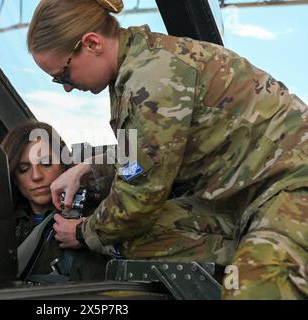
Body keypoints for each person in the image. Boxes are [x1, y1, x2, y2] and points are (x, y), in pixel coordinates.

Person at [27, 0, 308, 299]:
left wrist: (81, 232)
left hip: (289, 187)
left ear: (92, 43)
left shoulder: (152, 80)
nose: (66, 88)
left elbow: (138, 199)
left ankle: (263, 256)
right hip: (236, 197)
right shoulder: (136, 65)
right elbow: (150, 152)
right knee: (132, 240)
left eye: (62, 75)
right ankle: (251, 249)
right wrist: (89, 169)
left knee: (254, 291)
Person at [1, 121, 109, 282]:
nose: (36, 176)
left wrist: (85, 233)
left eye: (46, 164)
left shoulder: (98, 217)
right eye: (23, 169)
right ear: (14, 178)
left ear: (65, 167)